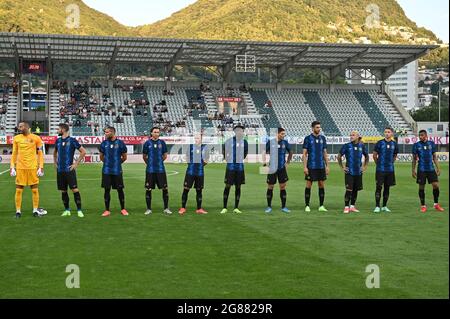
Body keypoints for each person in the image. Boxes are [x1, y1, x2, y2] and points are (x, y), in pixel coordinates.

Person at [10, 121, 46, 218]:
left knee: (34, 190)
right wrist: (12, 167)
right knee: (18, 191)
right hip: (20, 168)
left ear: (26, 127)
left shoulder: (36, 138)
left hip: (32, 168)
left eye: (21, 126)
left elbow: (40, 153)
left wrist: (41, 167)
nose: (19, 128)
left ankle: (35, 210)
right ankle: (18, 212)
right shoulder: (16, 138)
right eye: (19, 127)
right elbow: (14, 153)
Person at [53, 123, 87, 217]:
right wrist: (55, 163)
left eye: (58, 129)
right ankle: (67, 210)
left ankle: (79, 210)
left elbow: (83, 152)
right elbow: (55, 153)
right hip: (60, 170)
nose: (57, 130)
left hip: (69, 170)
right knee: (63, 191)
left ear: (63, 129)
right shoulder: (58, 141)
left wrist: (76, 164)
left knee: (75, 190)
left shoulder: (72, 140)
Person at [412, 130, 445, 212]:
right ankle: (423, 206)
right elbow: (414, 159)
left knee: (436, 185)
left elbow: (434, 157)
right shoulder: (416, 145)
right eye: (419, 135)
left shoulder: (431, 144)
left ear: (426, 135)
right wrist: (413, 170)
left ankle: (436, 204)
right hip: (421, 169)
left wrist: (438, 168)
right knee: (421, 187)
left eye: (422, 135)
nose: (420, 137)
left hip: (430, 169)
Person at [99, 126, 128, 217]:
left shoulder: (120, 143)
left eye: (107, 132)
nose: (105, 134)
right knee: (107, 190)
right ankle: (107, 210)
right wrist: (108, 163)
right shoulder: (104, 143)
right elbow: (101, 157)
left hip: (117, 171)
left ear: (112, 132)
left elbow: (124, 157)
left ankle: (123, 209)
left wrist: (117, 164)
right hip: (106, 171)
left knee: (120, 190)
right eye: (105, 132)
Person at [262, 127, 293, 214]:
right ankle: (269, 206)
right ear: (278, 133)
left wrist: (288, 162)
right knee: (270, 187)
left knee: (282, 187)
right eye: (282, 134)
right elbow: (264, 151)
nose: (284, 135)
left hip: (282, 168)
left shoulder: (285, 142)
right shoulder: (271, 142)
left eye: (284, 134)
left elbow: (290, 152)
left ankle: (284, 207)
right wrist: (264, 163)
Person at [142, 127, 172, 215]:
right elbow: (144, 156)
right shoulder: (147, 143)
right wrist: (150, 164)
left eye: (158, 132)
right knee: (148, 189)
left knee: (165, 189)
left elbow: (165, 155)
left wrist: (158, 162)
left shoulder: (162, 143)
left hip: (160, 170)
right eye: (155, 132)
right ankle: (148, 209)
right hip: (150, 170)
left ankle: (166, 208)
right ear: (151, 133)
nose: (156, 133)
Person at [337, 131, 369, 214]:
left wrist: (365, 166)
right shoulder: (346, 146)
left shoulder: (362, 145)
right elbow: (339, 156)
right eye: (350, 135)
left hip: (358, 172)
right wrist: (342, 167)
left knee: (355, 190)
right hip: (349, 172)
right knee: (349, 189)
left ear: (358, 136)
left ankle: (352, 206)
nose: (351, 136)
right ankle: (346, 207)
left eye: (353, 135)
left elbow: (367, 156)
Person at [178, 133, 209, 215]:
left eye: (198, 138)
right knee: (186, 189)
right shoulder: (191, 146)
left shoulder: (205, 148)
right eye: (195, 138)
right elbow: (187, 157)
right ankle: (183, 207)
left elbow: (206, 160)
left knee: (199, 191)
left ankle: (199, 208)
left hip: (200, 173)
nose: (196, 139)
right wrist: (191, 165)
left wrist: (200, 166)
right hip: (190, 172)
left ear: (201, 139)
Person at [220, 124, 248, 214]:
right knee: (227, 186)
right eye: (238, 130)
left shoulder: (245, 142)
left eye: (242, 130)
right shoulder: (229, 141)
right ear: (235, 131)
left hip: (240, 167)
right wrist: (226, 158)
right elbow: (224, 149)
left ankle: (236, 207)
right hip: (231, 167)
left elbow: (245, 153)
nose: (240, 132)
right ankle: (224, 207)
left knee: (238, 186)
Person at [302, 121, 329, 212]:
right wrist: (305, 167)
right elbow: (304, 154)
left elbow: (325, 153)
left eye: (319, 127)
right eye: (317, 127)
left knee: (321, 185)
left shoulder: (323, 138)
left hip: (321, 166)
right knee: (309, 184)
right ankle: (307, 205)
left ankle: (321, 206)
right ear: (313, 128)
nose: (319, 129)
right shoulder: (308, 138)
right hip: (311, 166)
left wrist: (327, 166)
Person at [373, 127, 399, 213]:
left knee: (387, 188)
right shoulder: (379, 143)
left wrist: (392, 162)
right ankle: (377, 206)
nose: (387, 133)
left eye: (388, 132)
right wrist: (378, 164)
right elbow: (374, 155)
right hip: (380, 169)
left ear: (392, 134)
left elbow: (395, 155)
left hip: (390, 170)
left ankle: (384, 206)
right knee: (379, 187)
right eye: (385, 132)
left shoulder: (394, 144)